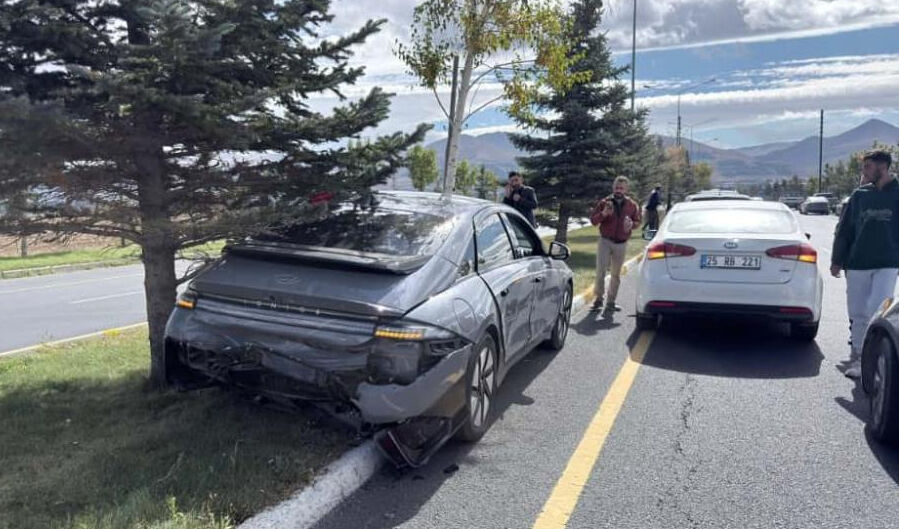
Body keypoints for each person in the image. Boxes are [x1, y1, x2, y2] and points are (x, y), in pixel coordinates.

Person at [831, 149, 898, 379]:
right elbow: (845, 230)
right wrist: (837, 260)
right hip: (858, 262)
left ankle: (873, 360)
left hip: (887, 263)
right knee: (858, 312)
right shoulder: (859, 196)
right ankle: (858, 356)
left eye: (868, 167)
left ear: (882, 167)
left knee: (876, 309)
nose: (864, 172)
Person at [590, 176, 642, 313]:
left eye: (621, 188)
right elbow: (593, 221)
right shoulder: (604, 202)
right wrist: (604, 214)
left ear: (626, 189)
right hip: (605, 241)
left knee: (615, 274)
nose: (619, 190)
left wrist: (632, 225)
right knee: (600, 271)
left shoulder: (632, 205)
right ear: (613, 188)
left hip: (621, 243)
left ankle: (611, 302)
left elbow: (637, 222)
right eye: (617, 187)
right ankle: (598, 300)